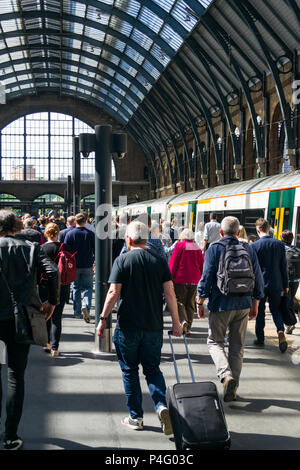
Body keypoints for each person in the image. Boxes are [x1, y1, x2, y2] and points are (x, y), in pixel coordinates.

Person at [96, 221, 182, 434]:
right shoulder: (159, 261)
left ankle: (136, 417)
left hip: (128, 327)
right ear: (147, 238)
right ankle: (162, 406)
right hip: (153, 326)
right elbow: (170, 294)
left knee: (129, 371)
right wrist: (176, 323)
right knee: (152, 369)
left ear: (128, 239)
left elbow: (113, 293)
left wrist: (103, 318)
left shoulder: (122, 260)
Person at [0, 210, 60, 450]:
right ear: (17, 227)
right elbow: (53, 272)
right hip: (21, 318)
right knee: (15, 376)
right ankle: (10, 436)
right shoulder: (31, 247)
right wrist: (51, 302)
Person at [197, 216, 264, 402]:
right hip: (243, 304)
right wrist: (255, 303)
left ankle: (226, 375)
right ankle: (232, 388)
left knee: (214, 342)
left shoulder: (215, 249)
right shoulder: (248, 248)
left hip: (220, 303)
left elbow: (207, 275)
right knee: (237, 347)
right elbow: (258, 277)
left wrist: (200, 300)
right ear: (238, 231)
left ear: (221, 232)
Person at [252, 218, 289, 352]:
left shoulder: (254, 246)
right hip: (276, 283)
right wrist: (285, 284)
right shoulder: (279, 245)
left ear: (257, 230)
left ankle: (260, 339)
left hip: (260, 284)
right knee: (276, 310)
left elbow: (252, 268)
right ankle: (280, 331)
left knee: (260, 311)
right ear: (269, 229)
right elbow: (283, 267)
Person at [39, 223, 71, 356]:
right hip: (62, 285)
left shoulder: (40, 248)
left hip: (44, 285)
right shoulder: (65, 247)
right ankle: (55, 347)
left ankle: (46, 343)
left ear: (46, 233)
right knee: (57, 317)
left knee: (45, 314)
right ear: (58, 233)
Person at [169, 228, 204, 335]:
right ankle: (188, 327)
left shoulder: (180, 246)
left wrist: (170, 276)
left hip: (181, 279)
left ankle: (183, 321)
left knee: (179, 301)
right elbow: (202, 264)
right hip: (194, 280)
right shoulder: (197, 247)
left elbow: (173, 262)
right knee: (190, 304)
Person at [64, 213, 95, 322]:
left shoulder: (70, 234)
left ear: (75, 221)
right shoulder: (91, 234)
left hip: (74, 265)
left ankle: (77, 312)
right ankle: (86, 306)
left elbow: (66, 251)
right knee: (88, 287)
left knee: (76, 287)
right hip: (87, 264)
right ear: (86, 221)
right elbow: (95, 250)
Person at [281, 230, 300, 334]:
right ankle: (289, 323)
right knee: (291, 300)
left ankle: (290, 323)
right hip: (296, 280)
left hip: (286, 280)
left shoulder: (282, 249)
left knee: (285, 301)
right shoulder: (297, 249)